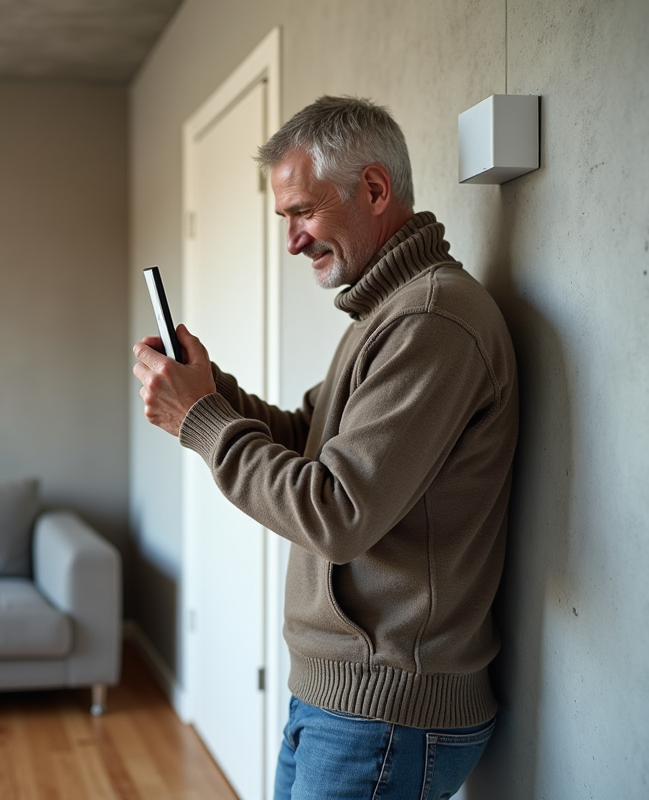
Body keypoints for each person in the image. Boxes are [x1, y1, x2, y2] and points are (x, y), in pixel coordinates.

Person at [132, 96, 519, 800]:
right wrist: (209, 391)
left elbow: (337, 513)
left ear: (374, 189)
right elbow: (308, 441)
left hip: (383, 714)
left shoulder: (431, 321)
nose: (292, 241)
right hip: (346, 703)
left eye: (301, 212)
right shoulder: (388, 311)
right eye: (285, 218)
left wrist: (200, 418)